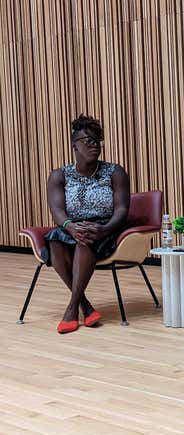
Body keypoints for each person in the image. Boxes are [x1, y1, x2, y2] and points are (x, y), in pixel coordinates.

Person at [44, 115, 130, 334]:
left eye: (97, 141)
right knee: (55, 241)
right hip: (72, 226)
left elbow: (121, 210)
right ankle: (85, 305)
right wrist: (70, 226)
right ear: (74, 145)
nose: (94, 145)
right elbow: (57, 211)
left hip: (105, 228)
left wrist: (105, 229)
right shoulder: (59, 175)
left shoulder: (115, 172)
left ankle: (72, 309)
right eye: (88, 141)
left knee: (85, 239)